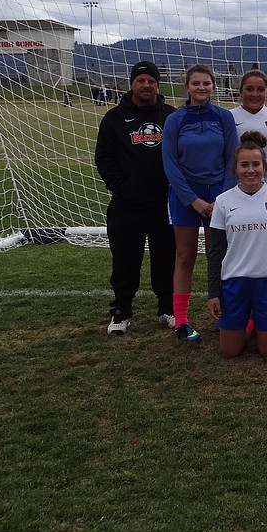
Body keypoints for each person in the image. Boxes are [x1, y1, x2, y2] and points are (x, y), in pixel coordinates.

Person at [94, 60, 176, 335]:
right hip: (127, 204)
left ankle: (167, 307)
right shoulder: (115, 118)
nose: (146, 85)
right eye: (141, 80)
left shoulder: (171, 116)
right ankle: (121, 311)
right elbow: (103, 158)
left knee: (166, 258)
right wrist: (122, 188)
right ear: (132, 83)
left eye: (151, 81)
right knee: (125, 260)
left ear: (157, 84)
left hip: (164, 204)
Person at [162, 64, 239, 341]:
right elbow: (170, 164)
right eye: (196, 83)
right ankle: (181, 321)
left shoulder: (224, 117)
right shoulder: (175, 120)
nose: (201, 88)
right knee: (185, 256)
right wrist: (193, 200)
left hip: (219, 195)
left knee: (219, 255)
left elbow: (233, 159)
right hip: (185, 196)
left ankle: (224, 315)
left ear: (213, 86)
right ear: (187, 87)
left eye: (206, 83)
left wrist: (221, 199)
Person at [206, 131, 267, 358]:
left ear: (264, 166)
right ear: (235, 168)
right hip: (234, 281)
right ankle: (248, 319)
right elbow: (215, 252)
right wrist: (213, 293)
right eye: (244, 165)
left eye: (256, 164)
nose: (250, 170)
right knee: (229, 352)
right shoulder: (223, 201)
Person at [230, 69, 267, 189]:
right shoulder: (229, 117)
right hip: (239, 186)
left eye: (260, 89)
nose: (255, 94)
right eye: (249, 89)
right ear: (240, 91)